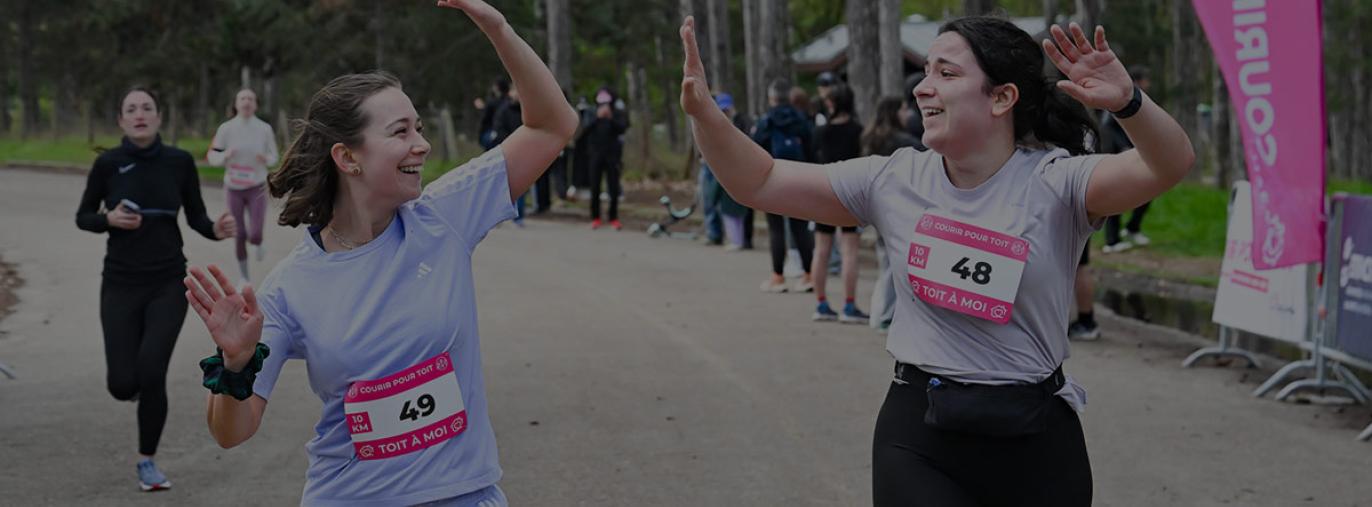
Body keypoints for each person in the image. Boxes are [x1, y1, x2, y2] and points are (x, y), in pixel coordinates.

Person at [679, 14, 1195, 506]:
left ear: (1001, 98)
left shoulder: (1058, 184)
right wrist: (707, 116)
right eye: (924, 72)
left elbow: (1168, 164)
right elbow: (760, 180)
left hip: (1036, 440)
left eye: (945, 73)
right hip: (920, 434)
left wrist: (1129, 103)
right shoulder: (894, 180)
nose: (921, 87)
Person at [183, 2, 577, 505]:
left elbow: (551, 125)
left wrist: (498, 29)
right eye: (401, 132)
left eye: (419, 127)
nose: (423, 145)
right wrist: (235, 366)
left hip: (466, 494)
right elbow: (232, 432)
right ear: (348, 158)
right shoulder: (288, 289)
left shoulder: (444, 217)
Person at [75, 86, 236, 492]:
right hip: (120, 283)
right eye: (131, 109)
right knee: (122, 384)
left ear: (159, 117)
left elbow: (197, 216)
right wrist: (108, 219)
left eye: (147, 107)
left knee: (151, 371)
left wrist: (216, 230)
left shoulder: (179, 162)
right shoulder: (108, 164)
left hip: (167, 281)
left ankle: (147, 460)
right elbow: (83, 217)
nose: (140, 114)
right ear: (121, 121)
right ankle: (134, 391)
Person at [861, 96, 923, 333]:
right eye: (905, 109)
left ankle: (879, 312)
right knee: (894, 265)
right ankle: (885, 315)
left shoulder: (870, 139)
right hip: (903, 210)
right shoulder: (907, 143)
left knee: (884, 262)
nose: (908, 113)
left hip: (878, 208)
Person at [208, 88, 280, 284]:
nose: (246, 102)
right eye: (242, 98)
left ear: (255, 104)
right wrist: (225, 156)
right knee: (239, 233)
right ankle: (244, 277)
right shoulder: (226, 129)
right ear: (236, 104)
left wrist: (266, 159)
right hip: (233, 188)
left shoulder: (264, 129)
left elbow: (275, 157)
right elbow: (212, 156)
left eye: (250, 99)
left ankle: (257, 242)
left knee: (255, 233)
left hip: (256, 185)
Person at [809, 85, 868, 323]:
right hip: (850, 194)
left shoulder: (821, 132)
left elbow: (812, 159)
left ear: (832, 104)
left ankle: (821, 303)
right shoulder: (859, 131)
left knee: (821, 250)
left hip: (823, 191)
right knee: (849, 251)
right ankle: (849, 305)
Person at [751, 78, 815, 293]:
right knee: (801, 229)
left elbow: (755, 148)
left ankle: (777, 277)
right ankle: (808, 275)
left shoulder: (766, 121)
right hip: (799, 178)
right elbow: (812, 147)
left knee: (776, 229)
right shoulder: (800, 119)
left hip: (773, 180)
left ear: (771, 98)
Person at [1100, 66, 1154, 254]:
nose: (1149, 83)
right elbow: (1108, 125)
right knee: (1116, 194)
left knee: (1149, 189)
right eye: (1146, 79)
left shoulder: (1137, 97)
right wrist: (1123, 146)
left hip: (1133, 152)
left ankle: (1132, 228)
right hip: (1117, 154)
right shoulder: (1123, 94)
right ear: (1138, 80)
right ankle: (1112, 241)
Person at [581, 86, 629, 230]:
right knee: (595, 187)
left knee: (613, 188)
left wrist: (610, 118)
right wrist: (598, 118)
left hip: (613, 156)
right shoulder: (591, 112)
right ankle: (595, 217)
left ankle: (613, 218)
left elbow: (623, 128)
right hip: (595, 155)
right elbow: (584, 130)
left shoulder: (617, 113)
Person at [475, 78, 510, 151]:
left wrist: (481, 108)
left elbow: (485, 117)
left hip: (494, 132)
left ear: (496, 87)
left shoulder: (492, 102)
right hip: (507, 133)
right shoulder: (509, 101)